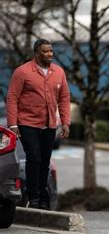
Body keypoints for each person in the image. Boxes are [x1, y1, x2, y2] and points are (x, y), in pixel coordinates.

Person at [6, 38, 70, 210]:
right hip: (27, 123)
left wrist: (65, 122)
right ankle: (33, 196)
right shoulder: (23, 72)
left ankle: (42, 194)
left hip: (49, 124)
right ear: (36, 53)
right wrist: (13, 124)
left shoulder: (58, 72)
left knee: (45, 161)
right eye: (45, 51)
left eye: (51, 51)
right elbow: (12, 98)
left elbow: (64, 98)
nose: (50, 54)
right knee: (33, 157)